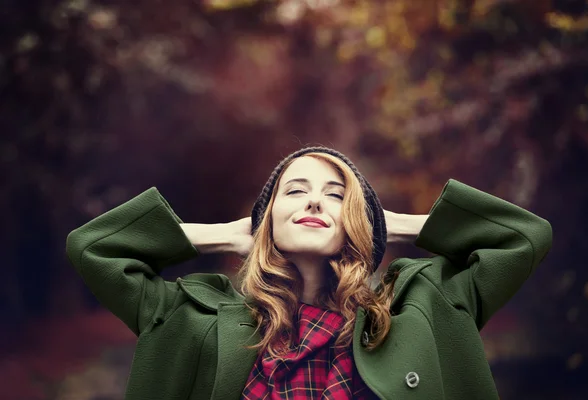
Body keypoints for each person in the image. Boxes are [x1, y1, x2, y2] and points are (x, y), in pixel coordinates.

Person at [66, 146, 552, 400]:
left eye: (337, 195)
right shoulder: (192, 314)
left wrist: (390, 224)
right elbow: (93, 248)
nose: (316, 199)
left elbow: (523, 238)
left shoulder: (423, 302)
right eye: (294, 191)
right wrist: (227, 233)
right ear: (267, 217)